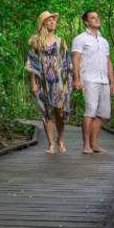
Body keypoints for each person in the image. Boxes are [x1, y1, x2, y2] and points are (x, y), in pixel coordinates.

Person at [25, 11, 72, 154]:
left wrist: (68, 83)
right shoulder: (36, 41)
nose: (52, 22)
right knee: (45, 112)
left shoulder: (60, 41)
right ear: (43, 23)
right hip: (42, 82)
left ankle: (60, 139)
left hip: (59, 82)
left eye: (54, 20)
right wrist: (33, 83)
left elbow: (67, 63)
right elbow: (31, 64)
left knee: (59, 112)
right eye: (49, 20)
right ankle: (51, 144)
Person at [72, 10, 114, 154]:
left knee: (102, 114)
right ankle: (86, 145)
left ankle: (94, 144)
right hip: (89, 79)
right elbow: (76, 59)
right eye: (93, 17)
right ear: (86, 22)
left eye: (97, 17)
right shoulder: (80, 39)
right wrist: (77, 79)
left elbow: (109, 62)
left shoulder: (104, 41)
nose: (97, 19)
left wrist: (112, 82)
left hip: (104, 81)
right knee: (90, 112)